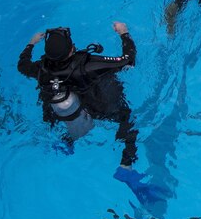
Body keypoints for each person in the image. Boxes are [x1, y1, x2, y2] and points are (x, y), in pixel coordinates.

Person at [17, 23, 138, 168]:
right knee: (127, 117)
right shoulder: (88, 65)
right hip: (97, 109)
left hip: (57, 114)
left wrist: (31, 43)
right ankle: (126, 164)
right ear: (71, 50)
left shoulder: (40, 69)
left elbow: (22, 65)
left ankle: (67, 142)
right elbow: (128, 60)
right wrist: (124, 33)